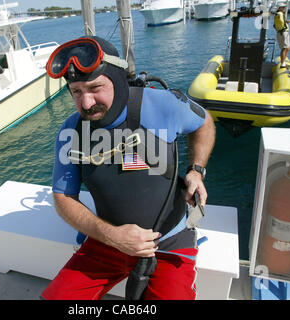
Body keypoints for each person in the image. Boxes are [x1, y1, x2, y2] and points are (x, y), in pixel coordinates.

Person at [41, 36, 216, 300]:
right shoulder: (71, 130)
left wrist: (196, 170)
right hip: (107, 240)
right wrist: (112, 236)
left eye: (95, 87)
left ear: (117, 79)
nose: (86, 103)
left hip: (170, 240)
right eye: (76, 92)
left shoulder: (163, 104)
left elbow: (204, 123)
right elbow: (64, 197)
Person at [274, 3, 290, 68]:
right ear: (279, 8)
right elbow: (278, 16)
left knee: (288, 48)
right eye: (282, 7)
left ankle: (283, 61)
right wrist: (278, 14)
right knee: (284, 48)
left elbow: (282, 21)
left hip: (283, 32)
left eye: (284, 7)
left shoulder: (281, 14)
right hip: (283, 33)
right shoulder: (279, 14)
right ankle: (282, 64)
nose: (283, 8)